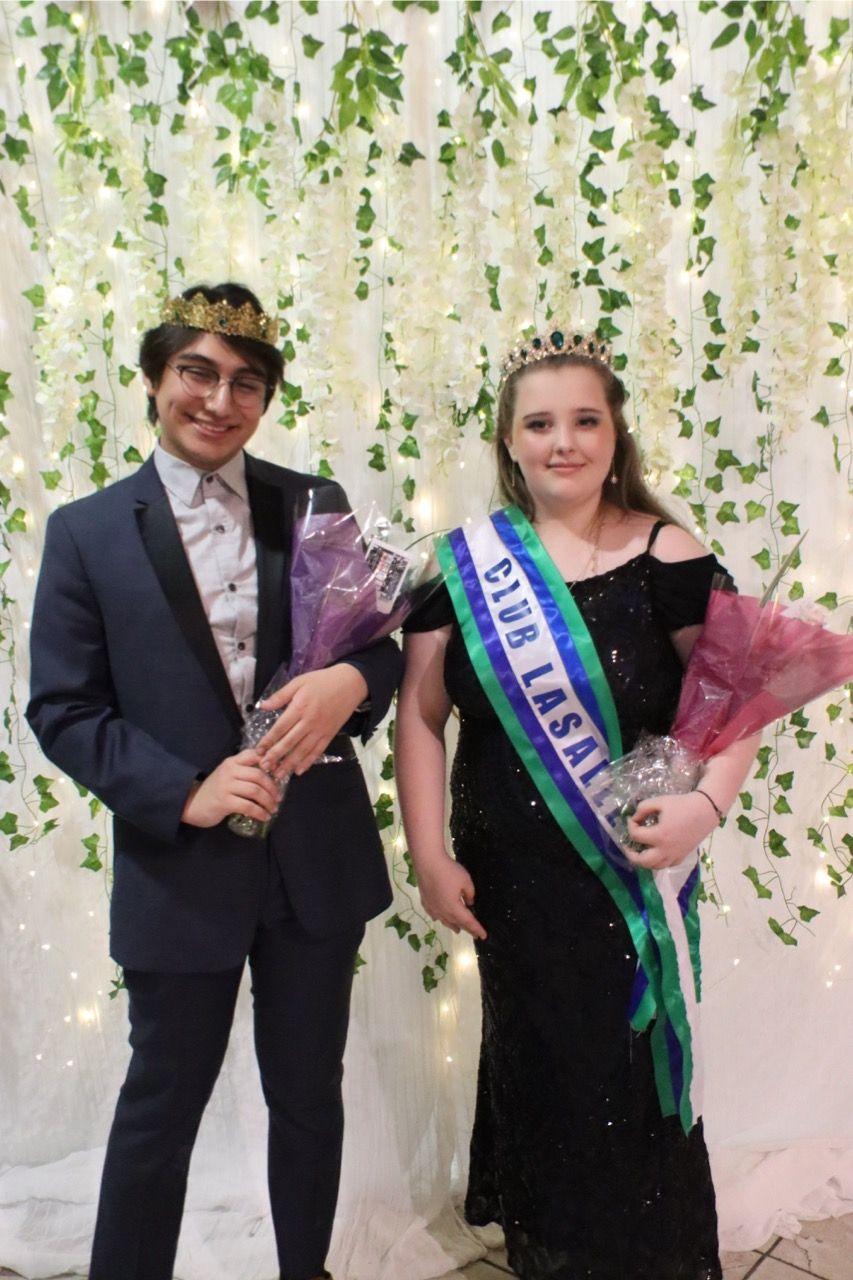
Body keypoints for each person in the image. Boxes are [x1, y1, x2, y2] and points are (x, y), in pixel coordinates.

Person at [26, 282, 402, 1280]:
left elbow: (379, 647)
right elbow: (62, 709)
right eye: (196, 372)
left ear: (267, 397)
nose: (218, 400)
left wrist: (352, 680)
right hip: (181, 868)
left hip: (313, 859)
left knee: (308, 1095)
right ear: (156, 377)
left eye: (246, 382)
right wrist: (184, 789)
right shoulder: (86, 531)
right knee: (162, 1103)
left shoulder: (311, 501)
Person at [395, 329, 759, 1280]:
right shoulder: (461, 568)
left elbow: (736, 698)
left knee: (629, 1074)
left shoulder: (669, 553)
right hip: (509, 884)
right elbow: (421, 719)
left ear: (615, 434)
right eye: (539, 424)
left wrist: (707, 807)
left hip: (627, 874)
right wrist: (427, 853)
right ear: (507, 441)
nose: (563, 442)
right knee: (541, 1071)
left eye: (585, 421)